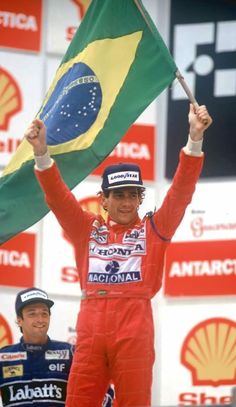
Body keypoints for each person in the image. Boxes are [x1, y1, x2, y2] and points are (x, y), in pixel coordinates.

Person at [25, 103, 212, 407]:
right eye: (119, 195)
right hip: (91, 325)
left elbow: (180, 192)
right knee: (79, 402)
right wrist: (41, 153)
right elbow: (58, 198)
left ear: (140, 198)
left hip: (135, 324)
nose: (126, 203)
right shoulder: (86, 228)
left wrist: (194, 138)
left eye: (133, 195)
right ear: (104, 200)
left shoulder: (154, 229)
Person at [0, 287, 114, 407]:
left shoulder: (71, 353)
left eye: (44, 313)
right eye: (32, 314)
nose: (40, 320)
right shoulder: (4, 357)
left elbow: (103, 389)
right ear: (19, 320)